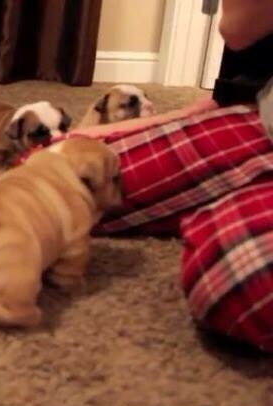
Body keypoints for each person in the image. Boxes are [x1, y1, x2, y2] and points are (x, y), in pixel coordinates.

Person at [65, 1, 273, 352]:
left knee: (237, 274)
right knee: (55, 172)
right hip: (257, 113)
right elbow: (227, 90)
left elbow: (238, 25)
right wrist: (88, 137)